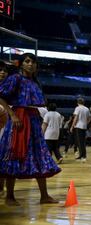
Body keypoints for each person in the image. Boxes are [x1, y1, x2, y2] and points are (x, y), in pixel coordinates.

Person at [0, 53, 61, 206]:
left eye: (33, 62)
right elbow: (1, 96)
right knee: (14, 154)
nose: (31, 64)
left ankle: (44, 196)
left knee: (40, 155)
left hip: (33, 119)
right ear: (21, 64)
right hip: (19, 118)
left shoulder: (35, 82)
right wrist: (12, 114)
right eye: (27, 61)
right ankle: (9, 196)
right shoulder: (15, 78)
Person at [70, 97, 91, 162]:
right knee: (83, 142)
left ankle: (82, 155)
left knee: (79, 142)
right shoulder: (87, 109)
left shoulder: (77, 108)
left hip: (78, 126)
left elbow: (76, 118)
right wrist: (86, 123)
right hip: (84, 126)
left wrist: (72, 126)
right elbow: (90, 118)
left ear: (78, 102)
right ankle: (82, 155)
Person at [0, 61, 9, 197]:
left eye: (4, 70)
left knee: (3, 159)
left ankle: (1, 188)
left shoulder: (10, 89)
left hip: (5, 127)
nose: (2, 72)